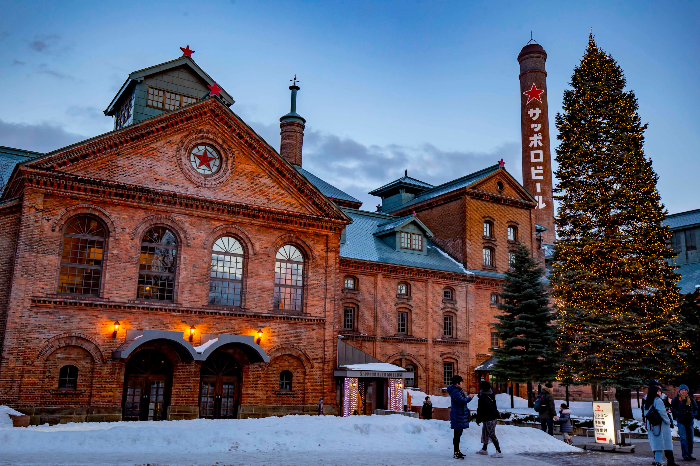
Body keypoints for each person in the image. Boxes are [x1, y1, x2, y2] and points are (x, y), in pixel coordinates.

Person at [645, 384, 679, 466]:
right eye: (659, 391)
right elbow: (662, 413)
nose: (660, 392)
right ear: (656, 392)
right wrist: (668, 421)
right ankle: (665, 462)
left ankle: (658, 461)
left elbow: (646, 414)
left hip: (651, 425)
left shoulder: (648, 401)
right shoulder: (657, 400)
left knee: (656, 445)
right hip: (660, 426)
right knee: (663, 444)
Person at [446, 375, 474, 460]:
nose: (462, 384)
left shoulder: (458, 390)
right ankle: (456, 452)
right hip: (457, 415)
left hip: (459, 414)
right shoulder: (455, 391)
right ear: (457, 383)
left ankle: (457, 451)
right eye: (461, 382)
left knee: (458, 433)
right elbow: (461, 401)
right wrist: (470, 397)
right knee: (457, 434)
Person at [475, 381, 503, 458]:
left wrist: (478, 419)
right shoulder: (491, 393)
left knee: (491, 434)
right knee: (485, 432)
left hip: (489, 417)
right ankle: (484, 449)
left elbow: (480, 409)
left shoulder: (482, 396)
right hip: (493, 415)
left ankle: (499, 451)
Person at [671, 384, 698, 461]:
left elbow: (696, 408)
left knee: (690, 439)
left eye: (685, 390)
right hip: (681, 421)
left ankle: (689, 454)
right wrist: (679, 414)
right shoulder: (676, 399)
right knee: (683, 438)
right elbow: (673, 409)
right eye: (682, 390)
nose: (684, 391)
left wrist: (693, 414)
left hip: (690, 421)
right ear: (679, 391)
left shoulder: (691, 400)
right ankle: (685, 454)